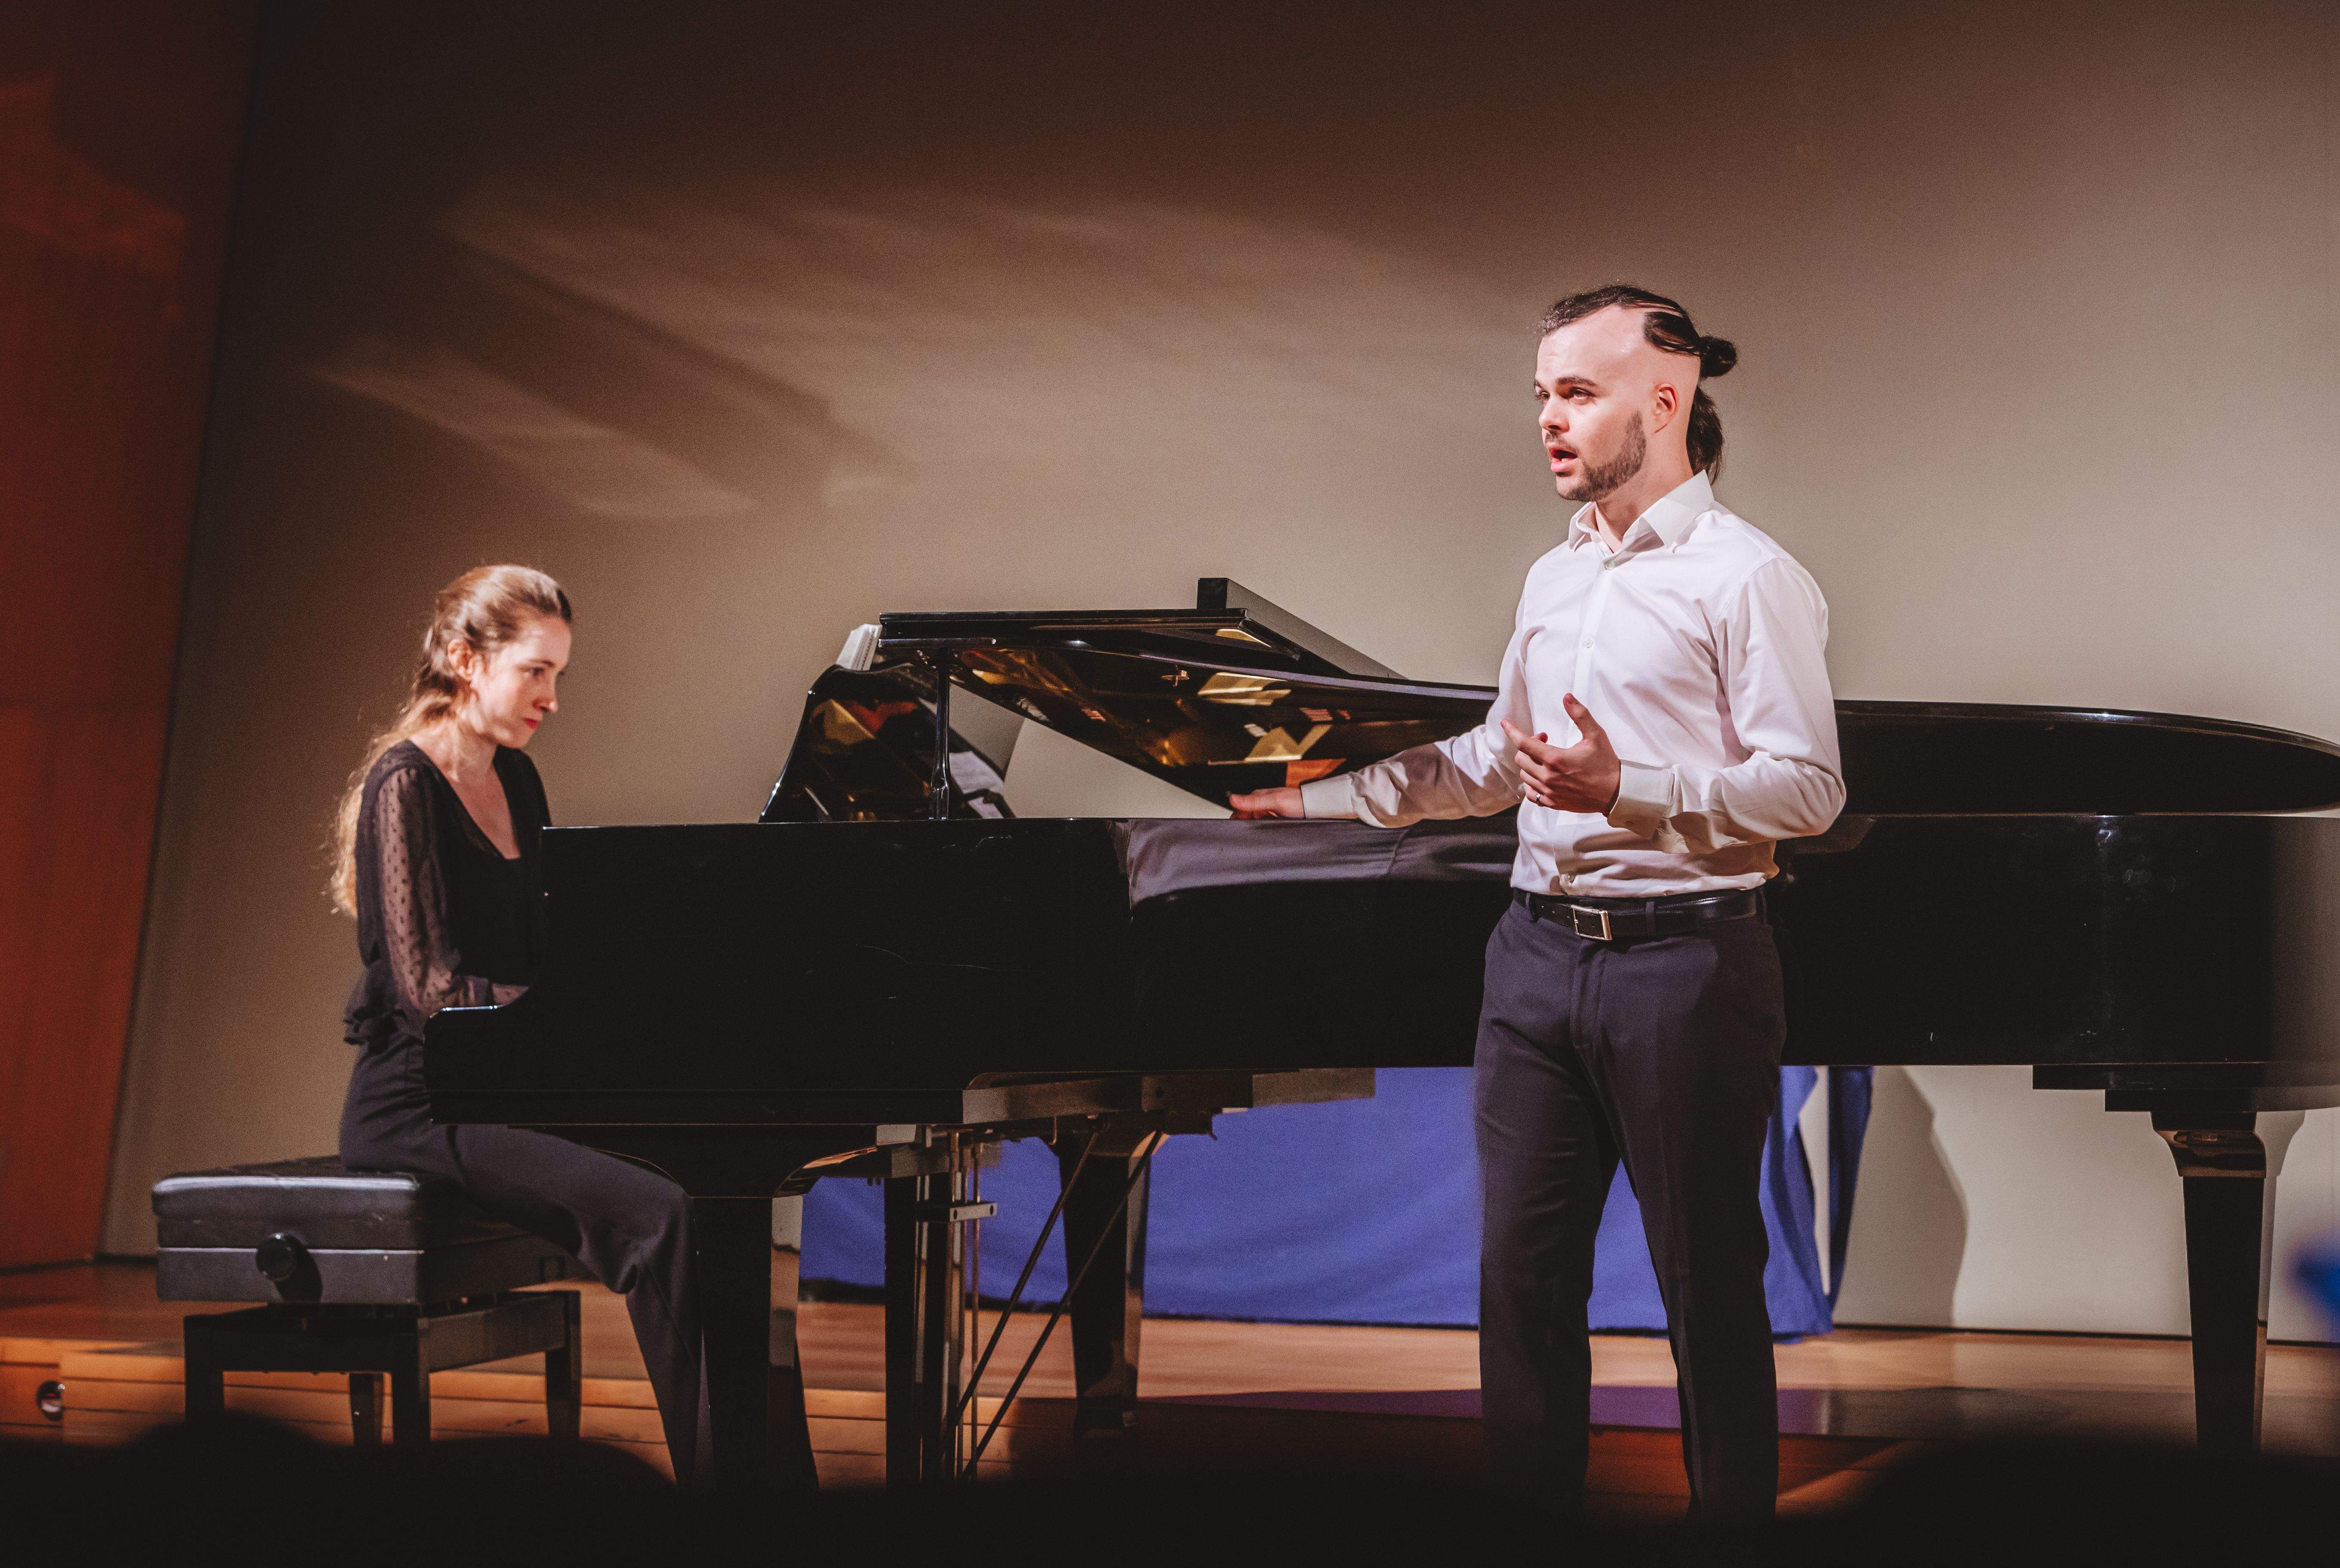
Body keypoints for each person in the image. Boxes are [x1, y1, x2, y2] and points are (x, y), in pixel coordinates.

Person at [1230, 285, 1843, 1517]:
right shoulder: (1551, 578)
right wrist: (1316, 800)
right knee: (1519, 1280)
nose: (1549, 421)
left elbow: (1810, 790)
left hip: (1684, 963)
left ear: (1660, 400)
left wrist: (1633, 787)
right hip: (1531, 955)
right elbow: (1487, 760)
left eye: (1576, 392)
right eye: (1541, 397)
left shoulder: (1745, 578)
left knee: (1705, 1282)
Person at [329, 564, 708, 1486]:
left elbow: (548, 954)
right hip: (420, 1106)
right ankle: (722, 1491)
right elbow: (431, 989)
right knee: (662, 1213)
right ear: (466, 659)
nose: (550, 697)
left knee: (705, 1182)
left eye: (558, 676)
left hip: (503, 1086)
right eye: (535, 671)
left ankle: (764, 1479)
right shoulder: (404, 785)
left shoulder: (521, 781)